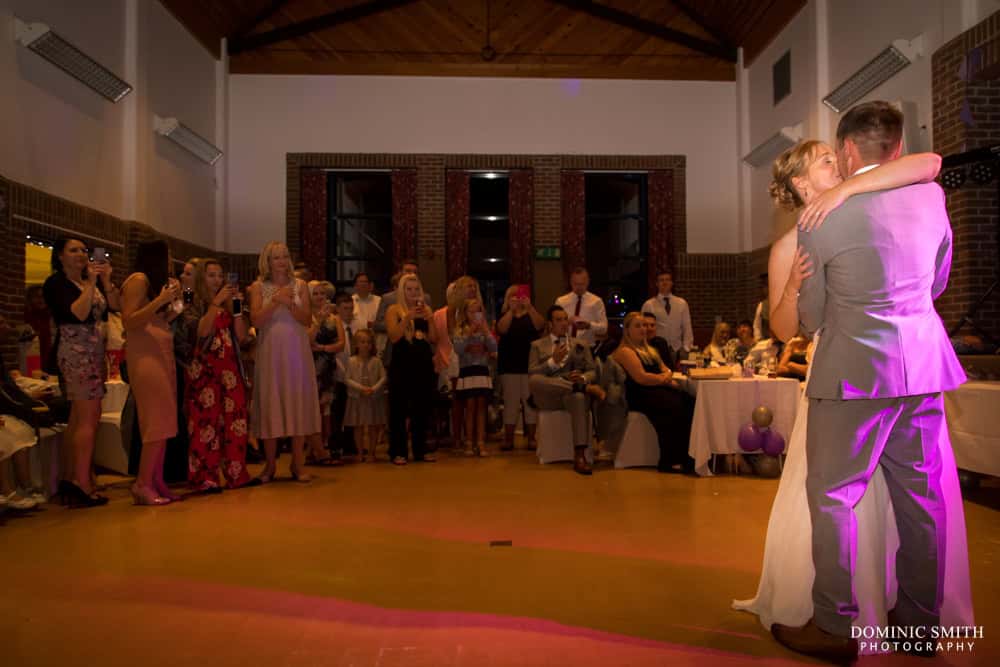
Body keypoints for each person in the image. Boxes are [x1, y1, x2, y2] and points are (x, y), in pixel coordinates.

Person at [733, 111, 973, 660]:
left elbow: (814, 321)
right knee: (921, 500)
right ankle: (919, 623)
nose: (831, 164)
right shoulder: (930, 198)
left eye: (830, 154)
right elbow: (937, 279)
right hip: (921, 367)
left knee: (835, 496)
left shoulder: (824, 222)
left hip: (854, 377)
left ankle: (836, 626)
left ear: (846, 152)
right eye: (818, 162)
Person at [42, 237, 121, 508]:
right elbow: (78, 313)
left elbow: (113, 306)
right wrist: (89, 284)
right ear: (60, 257)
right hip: (76, 354)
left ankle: (72, 476)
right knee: (89, 416)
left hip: (94, 353)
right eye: (73, 250)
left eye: (84, 250)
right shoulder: (57, 284)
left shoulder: (90, 281)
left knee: (79, 417)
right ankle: (82, 483)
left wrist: (105, 280)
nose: (81, 255)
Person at [248, 242, 322, 483]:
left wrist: (290, 303)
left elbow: (307, 318)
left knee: (296, 401)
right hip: (270, 351)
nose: (281, 261)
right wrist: (276, 300)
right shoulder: (258, 287)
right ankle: (270, 466)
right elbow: (256, 320)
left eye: (284, 257)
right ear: (267, 261)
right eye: (276, 257)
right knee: (272, 402)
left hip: (296, 351)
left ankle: (297, 464)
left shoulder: (300, 286)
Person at [184, 258, 258, 492]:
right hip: (204, 370)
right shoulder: (192, 300)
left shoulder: (228, 302)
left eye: (220, 275)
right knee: (206, 423)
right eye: (211, 275)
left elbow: (242, 336)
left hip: (230, 369)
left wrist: (236, 308)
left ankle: (237, 473)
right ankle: (205, 477)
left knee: (235, 421)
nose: (217, 280)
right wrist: (215, 303)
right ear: (201, 278)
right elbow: (201, 331)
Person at [120, 240, 182, 506]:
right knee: (156, 419)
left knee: (166, 419)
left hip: (160, 353)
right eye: (168, 257)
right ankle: (142, 483)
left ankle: (156, 479)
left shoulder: (152, 284)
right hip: (145, 358)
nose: (171, 262)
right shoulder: (138, 279)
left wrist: (173, 309)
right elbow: (129, 320)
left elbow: (153, 321)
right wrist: (160, 299)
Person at [612, 312, 694, 473]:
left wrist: (664, 377)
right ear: (627, 330)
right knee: (674, 407)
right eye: (638, 326)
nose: (643, 329)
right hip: (639, 394)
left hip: (656, 389)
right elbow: (641, 377)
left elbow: (667, 370)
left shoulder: (650, 349)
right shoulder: (625, 351)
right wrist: (664, 379)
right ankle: (669, 460)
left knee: (689, 401)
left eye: (644, 325)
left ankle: (688, 457)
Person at [528, 305, 605, 476]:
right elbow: (532, 373)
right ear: (550, 324)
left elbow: (592, 370)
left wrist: (583, 378)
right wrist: (552, 363)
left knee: (578, 397)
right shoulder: (537, 345)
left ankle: (579, 455)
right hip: (550, 395)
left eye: (565, 319)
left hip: (572, 395)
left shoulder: (581, 344)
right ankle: (582, 388)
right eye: (559, 320)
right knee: (534, 380)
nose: (564, 323)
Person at [385, 273, 438, 465]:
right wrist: (407, 317)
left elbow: (433, 339)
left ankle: (420, 449)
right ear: (402, 291)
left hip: (422, 363)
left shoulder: (426, 309)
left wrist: (431, 319)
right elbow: (393, 336)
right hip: (401, 364)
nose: (413, 293)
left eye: (416, 289)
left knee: (421, 408)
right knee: (399, 409)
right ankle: (398, 451)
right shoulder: (394, 309)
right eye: (409, 289)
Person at [434, 276, 481, 449]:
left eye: (474, 287)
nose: (472, 290)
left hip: (474, 360)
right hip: (452, 361)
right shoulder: (450, 311)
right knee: (458, 401)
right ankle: (457, 438)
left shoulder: (476, 309)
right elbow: (455, 337)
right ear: (460, 289)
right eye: (469, 286)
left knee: (476, 400)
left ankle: (474, 437)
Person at [496, 284, 544, 451]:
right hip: (509, 365)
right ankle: (508, 437)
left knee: (530, 402)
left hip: (529, 364)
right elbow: (501, 329)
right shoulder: (504, 314)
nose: (518, 298)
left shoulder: (531, 314)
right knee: (510, 402)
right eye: (513, 296)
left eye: (520, 295)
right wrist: (511, 310)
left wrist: (529, 308)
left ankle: (532, 437)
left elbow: (540, 326)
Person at [452, 297, 498, 457]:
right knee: (470, 406)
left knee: (481, 407)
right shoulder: (460, 328)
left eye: (478, 311)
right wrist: (470, 333)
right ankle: (469, 442)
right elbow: (458, 349)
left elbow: (493, 346)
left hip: (482, 370)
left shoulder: (485, 328)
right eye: (471, 311)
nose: (475, 314)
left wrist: (486, 332)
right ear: (465, 313)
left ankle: (481, 442)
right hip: (467, 370)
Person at [308, 280, 344, 466]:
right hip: (309, 368)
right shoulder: (304, 316)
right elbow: (306, 341)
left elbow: (341, 344)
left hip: (328, 366)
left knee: (326, 410)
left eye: (322, 293)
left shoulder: (334, 318)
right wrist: (318, 321)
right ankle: (313, 449)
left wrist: (322, 348)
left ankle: (324, 447)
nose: (320, 297)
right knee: (310, 410)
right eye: (315, 293)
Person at [373, 259, 430, 368]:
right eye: (408, 270)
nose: (411, 274)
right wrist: (404, 321)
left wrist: (430, 320)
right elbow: (378, 324)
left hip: (422, 351)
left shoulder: (425, 299)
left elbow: (431, 333)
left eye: (415, 272)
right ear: (400, 272)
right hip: (398, 349)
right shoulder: (388, 298)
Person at [342, 329, 386, 462]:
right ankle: (360, 452)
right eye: (362, 342)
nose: (366, 345)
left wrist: (373, 388)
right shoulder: (351, 361)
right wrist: (361, 388)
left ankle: (372, 453)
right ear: (356, 344)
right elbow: (347, 378)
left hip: (373, 398)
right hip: (357, 398)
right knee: (358, 426)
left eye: (368, 342)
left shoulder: (376, 361)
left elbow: (383, 377)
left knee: (373, 425)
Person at [641, 271, 693, 360]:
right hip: (656, 349)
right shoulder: (649, 304)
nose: (665, 283)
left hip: (677, 350)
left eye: (667, 280)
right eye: (661, 280)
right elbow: (643, 329)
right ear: (657, 284)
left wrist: (686, 348)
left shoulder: (682, 303)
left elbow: (687, 327)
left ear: (672, 283)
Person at [555, 267, 607, 349]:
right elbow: (554, 326)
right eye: (576, 284)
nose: (579, 287)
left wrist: (589, 325)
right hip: (565, 346)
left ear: (588, 282)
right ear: (571, 282)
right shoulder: (561, 301)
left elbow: (604, 328)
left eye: (582, 284)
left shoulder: (597, 301)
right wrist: (567, 322)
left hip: (587, 347)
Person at [23, 285, 53, 368]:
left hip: (47, 360)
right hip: (30, 358)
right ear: (30, 299)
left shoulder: (49, 315)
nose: (42, 300)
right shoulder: (26, 315)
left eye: (44, 297)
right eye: (37, 297)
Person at [351, 272, 381, 337]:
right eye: (360, 282)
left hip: (376, 339)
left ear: (370, 284)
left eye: (365, 282)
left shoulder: (379, 301)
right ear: (355, 285)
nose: (363, 284)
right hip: (356, 340)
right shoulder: (350, 301)